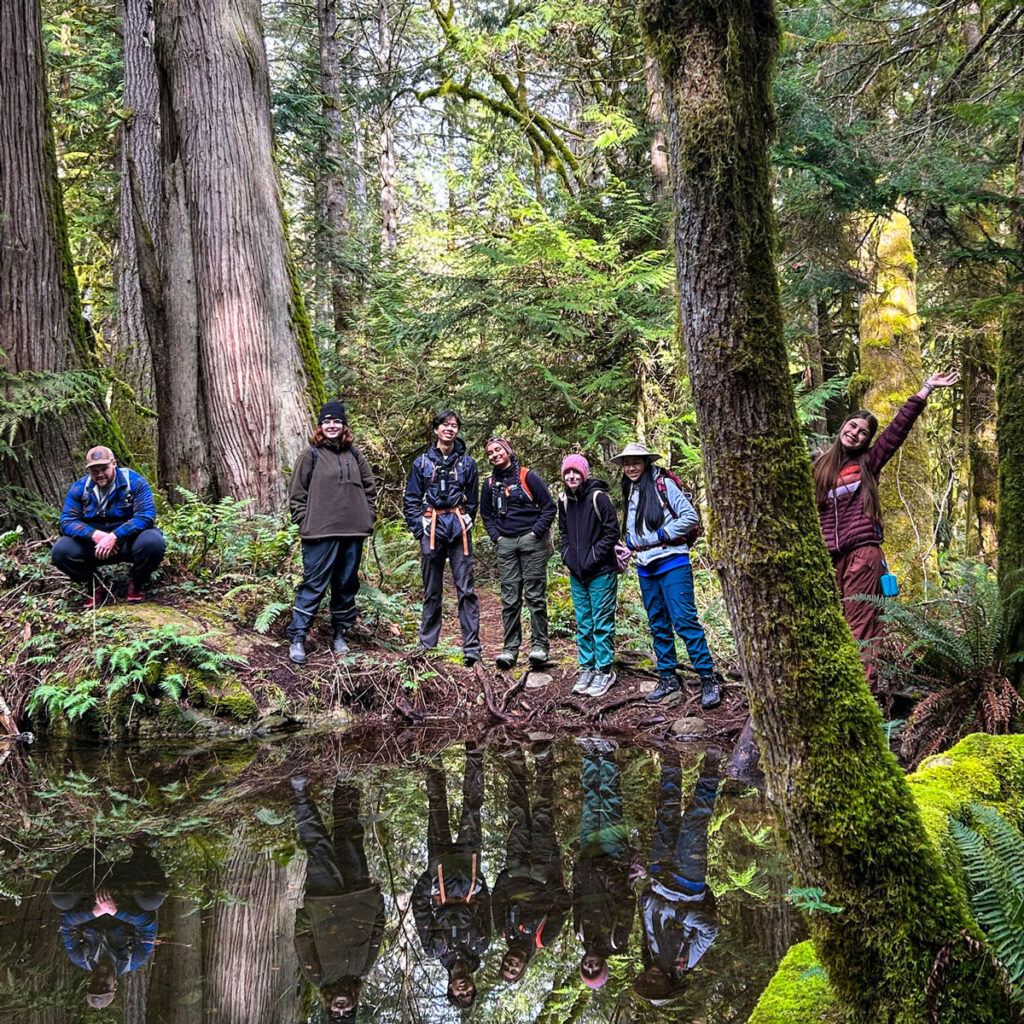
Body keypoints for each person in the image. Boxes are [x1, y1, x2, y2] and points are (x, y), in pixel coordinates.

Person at [812, 371, 959, 693]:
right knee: (831, 624)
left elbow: (896, 432)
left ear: (867, 440)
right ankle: (839, 692)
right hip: (827, 558)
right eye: (852, 426)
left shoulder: (868, 462)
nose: (855, 433)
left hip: (863, 553)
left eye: (863, 432)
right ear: (842, 427)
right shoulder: (820, 466)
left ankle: (864, 697)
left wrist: (924, 391)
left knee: (861, 624)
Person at [614, 443, 721, 710]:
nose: (630, 467)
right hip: (645, 565)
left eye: (635, 462)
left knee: (684, 621)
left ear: (645, 462)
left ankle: (708, 677)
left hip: (672, 561)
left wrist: (662, 534)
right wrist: (629, 545)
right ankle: (667, 677)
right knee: (658, 623)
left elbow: (689, 516)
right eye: (626, 463)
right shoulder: (631, 490)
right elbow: (636, 529)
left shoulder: (662, 483)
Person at [287, 402, 377, 665]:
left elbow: (370, 490)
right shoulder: (310, 455)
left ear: (343, 425)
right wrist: (304, 521)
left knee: (346, 583)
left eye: (336, 421)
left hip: (353, 531)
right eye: (327, 422)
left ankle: (340, 633)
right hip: (319, 533)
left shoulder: (355, 456)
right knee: (314, 584)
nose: (332, 426)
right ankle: (298, 636)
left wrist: (368, 515)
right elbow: (297, 494)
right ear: (320, 426)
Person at [291, 774, 385, 1022]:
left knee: (318, 845)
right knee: (350, 834)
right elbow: (377, 931)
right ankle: (346, 777)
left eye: (337, 1013)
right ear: (355, 1004)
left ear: (329, 1006)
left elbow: (302, 938)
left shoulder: (318, 977)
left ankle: (300, 795)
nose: (341, 1008)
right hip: (358, 892)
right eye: (347, 1012)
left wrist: (311, 912)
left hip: (324, 898)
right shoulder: (362, 970)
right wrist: (376, 903)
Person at [633, 749, 720, 1007]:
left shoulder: (649, 954)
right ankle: (712, 763)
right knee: (694, 823)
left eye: (647, 983)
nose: (651, 979)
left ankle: (671, 755)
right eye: (656, 986)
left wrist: (645, 898)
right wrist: (682, 916)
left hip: (659, 877)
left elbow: (649, 918)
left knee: (666, 816)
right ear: (670, 984)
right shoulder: (687, 960)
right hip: (687, 883)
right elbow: (710, 930)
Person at [411, 743, 491, 1008]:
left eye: (459, 995)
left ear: (450, 989)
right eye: (469, 993)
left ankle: (431, 748)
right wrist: (481, 884)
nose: (463, 990)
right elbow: (487, 905)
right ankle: (475, 752)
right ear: (475, 985)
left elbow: (420, 908)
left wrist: (428, 880)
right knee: (472, 808)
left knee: (436, 804)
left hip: (440, 870)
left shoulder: (434, 949)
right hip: (468, 869)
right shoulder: (480, 944)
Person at [403, 410, 481, 666]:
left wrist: (469, 518)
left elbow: (473, 497)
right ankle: (427, 647)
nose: (449, 429)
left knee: (466, 589)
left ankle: (471, 649)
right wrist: (419, 527)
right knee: (431, 591)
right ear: (436, 430)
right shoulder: (422, 463)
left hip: (459, 530)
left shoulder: (467, 463)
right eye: (445, 425)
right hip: (432, 529)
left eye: (454, 425)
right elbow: (411, 499)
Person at [51, 839, 168, 1008]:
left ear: (88, 981)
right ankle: (139, 846)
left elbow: (66, 923)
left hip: (94, 883)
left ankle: (97, 844)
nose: (100, 980)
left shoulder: (78, 956)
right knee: (152, 901)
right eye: (104, 986)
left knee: (61, 899)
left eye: (94, 985)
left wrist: (94, 912)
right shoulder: (136, 958)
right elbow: (148, 923)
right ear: (115, 985)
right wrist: (116, 911)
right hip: (130, 884)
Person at [492, 744, 570, 985]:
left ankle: (514, 761)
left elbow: (497, 897)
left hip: (515, 865)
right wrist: (546, 881)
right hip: (543, 866)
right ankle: (544, 761)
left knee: (516, 813)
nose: (510, 964)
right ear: (523, 968)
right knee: (542, 815)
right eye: (514, 970)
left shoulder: (504, 930)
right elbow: (564, 905)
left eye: (505, 966)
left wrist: (507, 878)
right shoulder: (543, 938)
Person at [51, 445, 165, 608]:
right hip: (95, 545)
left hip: (127, 542)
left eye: (104, 468)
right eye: (94, 471)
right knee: (61, 551)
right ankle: (94, 585)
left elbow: (146, 516)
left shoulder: (134, 482)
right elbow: (67, 521)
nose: (100, 474)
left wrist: (115, 536)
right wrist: (96, 536)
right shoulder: (80, 488)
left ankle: (138, 581)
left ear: (114, 464)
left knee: (153, 542)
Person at [479, 437, 557, 670]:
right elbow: (487, 515)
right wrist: (497, 537)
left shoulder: (527, 476)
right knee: (510, 598)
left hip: (532, 542)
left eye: (498, 450)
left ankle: (540, 647)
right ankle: (510, 649)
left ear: (508, 451)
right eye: (490, 453)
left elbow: (549, 507)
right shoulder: (489, 484)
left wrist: (535, 533)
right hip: (506, 544)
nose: (494, 455)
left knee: (534, 596)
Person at [572, 738, 636, 991]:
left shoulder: (580, 935)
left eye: (586, 968)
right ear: (603, 967)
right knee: (610, 805)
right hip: (612, 859)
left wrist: (578, 874)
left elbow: (578, 898)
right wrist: (609, 877)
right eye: (595, 969)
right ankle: (608, 756)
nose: (590, 965)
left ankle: (590, 756)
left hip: (588, 861)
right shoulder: (616, 940)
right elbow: (628, 903)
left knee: (590, 805)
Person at [558, 454, 620, 698]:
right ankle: (587, 668)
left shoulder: (598, 498)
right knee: (584, 623)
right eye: (567, 473)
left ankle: (604, 670)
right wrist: (568, 556)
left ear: (584, 475)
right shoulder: (563, 501)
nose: (571, 477)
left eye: (576, 473)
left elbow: (611, 532)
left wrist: (593, 557)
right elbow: (563, 533)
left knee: (601, 622)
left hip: (601, 572)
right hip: (577, 573)